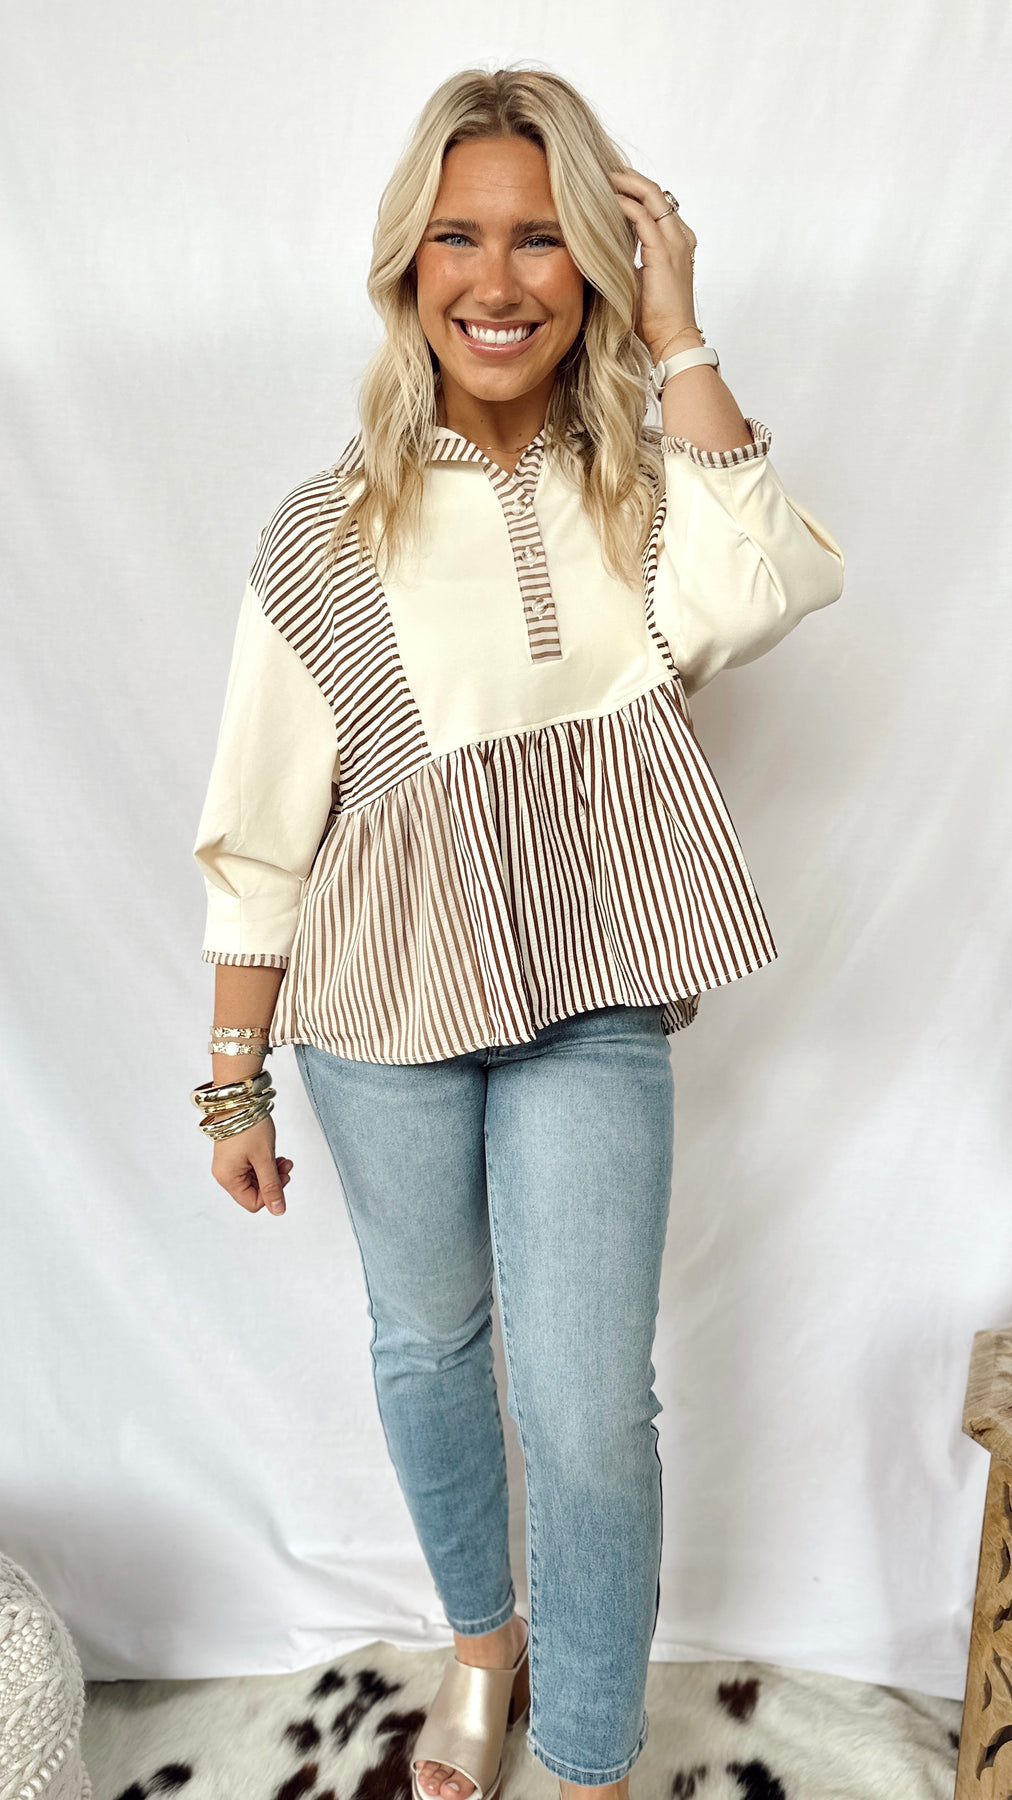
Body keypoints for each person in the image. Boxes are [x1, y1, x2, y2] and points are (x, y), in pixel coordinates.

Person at [191, 64, 844, 1800]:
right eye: (459, 238)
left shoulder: (645, 487)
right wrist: (233, 1076)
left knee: (590, 1409)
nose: (497, 280)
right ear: (407, 267)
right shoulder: (324, 529)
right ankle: (483, 1647)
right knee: (428, 1347)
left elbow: (765, 588)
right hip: (380, 1007)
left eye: (543, 237)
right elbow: (260, 826)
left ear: (596, 265)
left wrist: (682, 326)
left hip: (592, 985)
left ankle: (593, 1755)